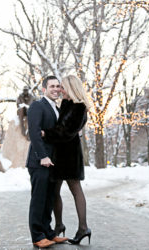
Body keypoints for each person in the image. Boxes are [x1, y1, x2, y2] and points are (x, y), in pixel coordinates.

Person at [41, 74, 92, 245]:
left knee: (75, 189)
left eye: (62, 87)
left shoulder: (79, 107)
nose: (60, 90)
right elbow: (59, 127)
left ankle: (83, 227)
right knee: (55, 191)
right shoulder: (65, 104)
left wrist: (46, 133)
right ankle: (59, 225)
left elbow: (65, 131)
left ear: (71, 88)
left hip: (70, 155)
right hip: (59, 154)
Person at [25, 75, 69, 248]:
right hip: (39, 161)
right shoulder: (37, 106)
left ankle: (49, 233)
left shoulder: (56, 109)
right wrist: (42, 156)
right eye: (52, 86)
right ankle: (37, 236)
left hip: (54, 162)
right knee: (39, 198)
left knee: (49, 198)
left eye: (58, 86)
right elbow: (34, 133)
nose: (56, 89)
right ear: (44, 89)